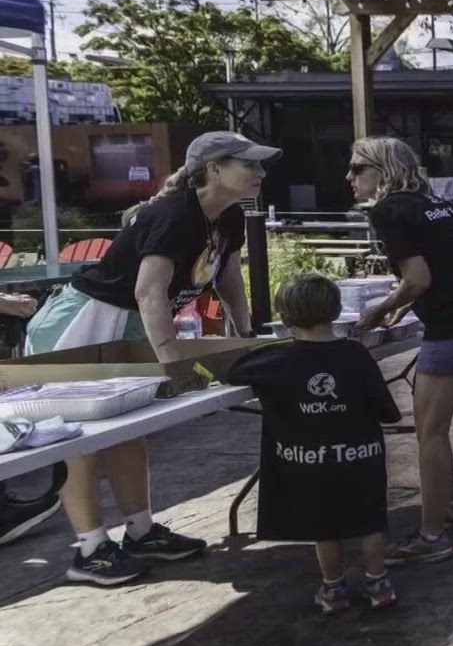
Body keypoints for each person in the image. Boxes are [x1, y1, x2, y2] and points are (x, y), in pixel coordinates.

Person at [22, 130, 275, 585]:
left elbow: (228, 275)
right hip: (86, 322)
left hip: (133, 322)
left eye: (260, 165)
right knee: (78, 440)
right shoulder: (174, 214)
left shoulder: (229, 215)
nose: (260, 172)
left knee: (130, 431)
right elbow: (148, 290)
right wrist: (172, 362)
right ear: (214, 169)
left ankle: (140, 532)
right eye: (249, 164)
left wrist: (246, 331)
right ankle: (90, 549)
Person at [349, 137, 453, 564]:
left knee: (430, 432)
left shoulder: (389, 211)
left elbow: (418, 278)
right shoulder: (434, 203)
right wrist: (400, 304)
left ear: (381, 170)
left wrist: (379, 309)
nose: (348, 178)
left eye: (356, 169)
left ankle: (431, 535)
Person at [227, 273, 401, 614]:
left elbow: (235, 370)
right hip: (360, 458)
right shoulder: (356, 355)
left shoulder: (275, 361)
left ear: (286, 318)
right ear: (336, 311)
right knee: (370, 520)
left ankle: (333, 590)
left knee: (326, 525)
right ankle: (379, 583)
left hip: (309, 464)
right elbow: (387, 411)